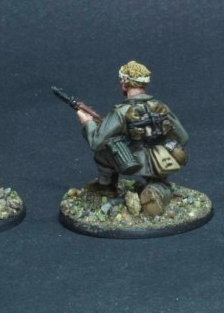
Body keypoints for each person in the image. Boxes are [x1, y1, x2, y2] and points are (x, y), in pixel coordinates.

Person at [76, 61, 189, 216]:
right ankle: (157, 190)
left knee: (101, 153)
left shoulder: (122, 111)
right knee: (161, 183)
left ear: (124, 82)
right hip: (162, 160)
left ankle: (107, 187)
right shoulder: (161, 106)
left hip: (133, 160)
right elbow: (183, 137)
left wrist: (87, 123)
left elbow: (96, 142)